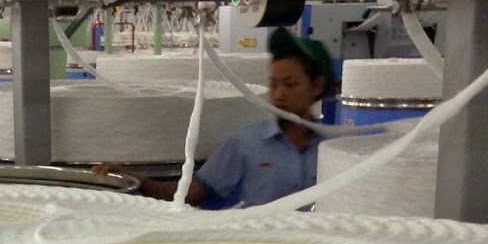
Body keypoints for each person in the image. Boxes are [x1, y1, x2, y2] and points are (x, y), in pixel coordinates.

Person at [95, 29, 337, 208]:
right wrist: (132, 179)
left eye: (290, 84)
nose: (279, 94)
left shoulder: (333, 149)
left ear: (316, 86)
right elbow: (189, 196)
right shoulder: (246, 145)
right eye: (274, 84)